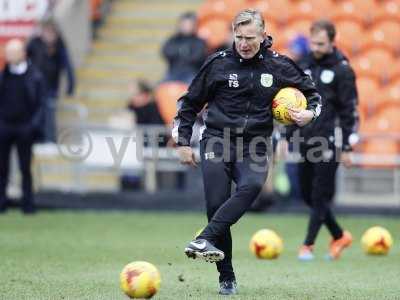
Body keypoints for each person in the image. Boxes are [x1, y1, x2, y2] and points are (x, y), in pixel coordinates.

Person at [173, 9, 321, 295]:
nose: (243, 43)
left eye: (250, 37)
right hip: (216, 138)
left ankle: (204, 238)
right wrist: (182, 142)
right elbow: (188, 103)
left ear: (263, 35)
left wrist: (309, 114)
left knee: (252, 186)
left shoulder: (280, 66)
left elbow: (313, 94)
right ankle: (226, 276)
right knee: (216, 206)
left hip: (256, 143)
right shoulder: (217, 63)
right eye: (239, 37)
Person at [280, 20, 359, 261]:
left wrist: (347, 146)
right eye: (313, 42)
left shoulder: (342, 70)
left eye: (321, 44)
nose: (316, 47)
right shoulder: (303, 65)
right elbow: (292, 103)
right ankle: (339, 235)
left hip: (330, 140)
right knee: (305, 193)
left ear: (333, 42)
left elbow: (350, 110)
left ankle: (308, 245)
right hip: (307, 139)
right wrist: (285, 136)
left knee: (318, 194)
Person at [0, 39, 46, 214]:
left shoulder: (35, 76)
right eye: (8, 52)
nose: (10, 56)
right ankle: (2, 202)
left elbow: (41, 104)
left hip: (24, 128)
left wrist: (32, 126)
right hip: (5, 126)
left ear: (22, 54)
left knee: (25, 168)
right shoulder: (4, 75)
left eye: (14, 52)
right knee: (2, 168)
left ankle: (28, 204)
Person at [27, 17, 75, 142]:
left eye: (52, 32)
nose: (49, 35)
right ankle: (37, 139)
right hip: (34, 87)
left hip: (51, 87)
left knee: (49, 113)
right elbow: (24, 62)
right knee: (35, 115)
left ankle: (49, 140)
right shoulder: (34, 43)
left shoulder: (59, 45)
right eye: (46, 31)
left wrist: (71, 84)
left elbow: (67, 65)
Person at [161, 12, 207, 84]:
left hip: (191, 73)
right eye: (184, 24)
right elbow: (166, 52)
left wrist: (180, 53)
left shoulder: (198, 41)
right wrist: (184, 53)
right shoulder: (174, 39)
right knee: (161, 87)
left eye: (189, 24)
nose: (186, 27)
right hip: (173, 72)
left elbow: (198, 57)